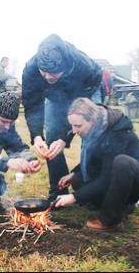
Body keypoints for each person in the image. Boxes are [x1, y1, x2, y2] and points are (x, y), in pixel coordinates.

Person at [22, 33, 103, 202]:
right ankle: (59, 190)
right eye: (44, 72)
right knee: (52, 139)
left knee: (93, 134)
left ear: (65, 66)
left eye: (54, 72)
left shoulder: (82, 65)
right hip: (54, 96)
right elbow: (32, 103)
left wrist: (65, 137)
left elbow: (80, 109)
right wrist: (36, 135)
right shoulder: (30, 69)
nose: (49, 77)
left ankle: (93, 188)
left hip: (86, 91)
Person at [54, 98, 139, 230]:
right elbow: (98, 160)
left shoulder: (117, 132)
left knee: (122, 162)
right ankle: (124, 205)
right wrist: (75, 173)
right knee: (78, 181)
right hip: (117, 173)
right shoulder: (95, 130)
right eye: (72, 126)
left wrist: (74, 197)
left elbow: (107, 177)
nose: (74, 131)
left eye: (78, 126)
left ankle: (110, 220)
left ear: (92, 120)